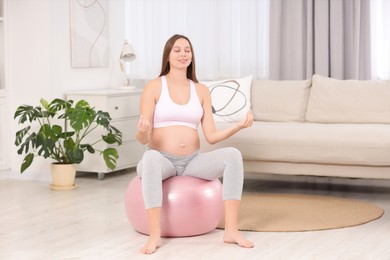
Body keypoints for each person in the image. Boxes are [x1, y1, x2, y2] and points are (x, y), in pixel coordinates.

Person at [136, 34, 255, 254]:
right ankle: (154, 235)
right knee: (151, 157)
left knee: (233, 155)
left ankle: (231, 230)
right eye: (177, 50)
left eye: (187, 50)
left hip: (192, 161)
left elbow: (211, 136)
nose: (183, 54)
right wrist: (142, 132)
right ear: (168, 56)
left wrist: (238, 126)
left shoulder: (201, 90)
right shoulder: (154, 86)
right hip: (161, 160)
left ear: (192, 56)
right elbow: (143, 139)